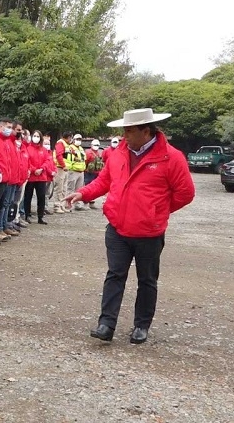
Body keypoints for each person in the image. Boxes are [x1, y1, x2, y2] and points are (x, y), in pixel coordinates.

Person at [66, 108, 195, 344]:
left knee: (146, 280)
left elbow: (185, 193)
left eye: (129, 131)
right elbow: (105, 180)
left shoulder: (171, 157)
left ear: (146, 131)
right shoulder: (118, 153)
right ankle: (106, 324)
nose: (124, 136)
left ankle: (141, 325)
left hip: (149, 232)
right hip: (117, 227)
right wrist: (83, 193)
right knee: (115, 275)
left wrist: (156, 212)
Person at [24, 130, 55, 224]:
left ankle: (40, 216)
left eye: (38, 136)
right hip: (31, 177)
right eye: (35, 136)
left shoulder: (44, 150)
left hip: (42, 177)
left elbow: (47, 161)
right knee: (28, 196)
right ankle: (26, 215)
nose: (36, 138)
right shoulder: (27, 148)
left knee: (41, 197)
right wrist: (34, 170)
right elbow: (27, 161)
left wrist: (41, 169)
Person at [51, 131, 73, 213]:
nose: (71, 139)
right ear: (68, 137)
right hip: (60, 168)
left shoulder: (66, 145)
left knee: (64, 188)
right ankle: (57, 206)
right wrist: (63, 165)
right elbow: (59, 155)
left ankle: (61, 205)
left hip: (65, 169)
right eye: (71, 137)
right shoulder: (60, 144)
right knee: (59, 188)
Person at [65, 133, 87, 211]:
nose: (79, 141)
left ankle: (78, 204)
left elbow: (84, 159)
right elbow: (69, 157)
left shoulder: (81, 148)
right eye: (77, 139)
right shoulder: (70, 148)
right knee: (70, 188)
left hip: (81, 171)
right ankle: (68, 205)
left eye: (80, 139)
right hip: (73, 170)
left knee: (79, 189)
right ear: (73, 140)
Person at [83, 139, 104, 209]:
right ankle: (85, 202)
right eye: (95, 145)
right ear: (91, 145)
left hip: (96, 173)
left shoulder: (99, 153)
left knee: (94, 188)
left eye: (97, 145)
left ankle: (92, 202)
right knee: (87, 187)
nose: (96, 146)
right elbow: (85, 162)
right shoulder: (88, 152)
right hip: (88, 173)